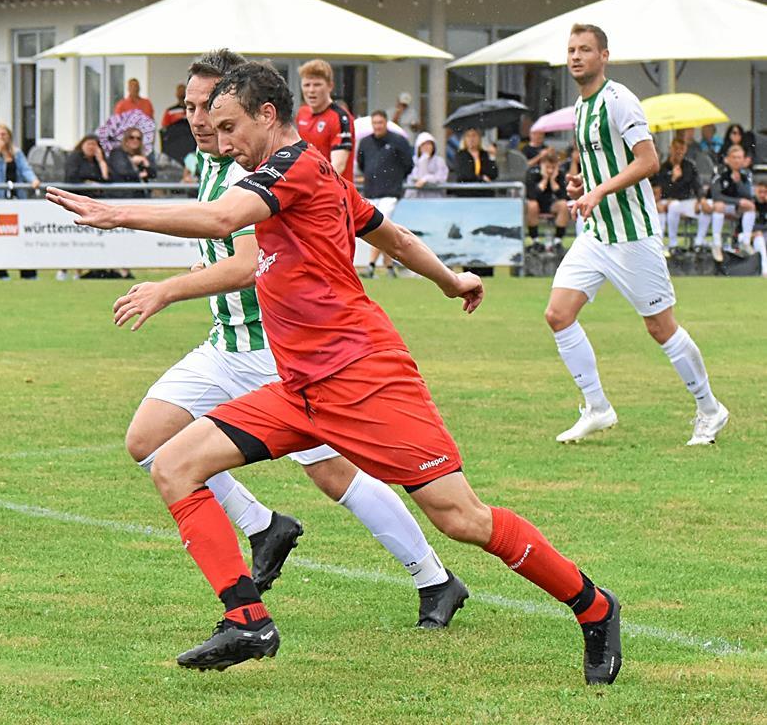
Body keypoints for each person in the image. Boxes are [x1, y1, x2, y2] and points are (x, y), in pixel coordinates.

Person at [47, 60, 622, 685]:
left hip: (365, 377)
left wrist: (119, 215)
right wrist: (451, 279)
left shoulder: (291, 168)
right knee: (173, 464)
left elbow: (221, 222)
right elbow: (392, 237)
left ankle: (593, 607)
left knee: (461, 519)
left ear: (268, 115)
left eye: (231, 126)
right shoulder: (307, 169)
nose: (225, 141)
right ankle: (248, 622)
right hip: (299, 388)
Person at [116, 48, 466, 631]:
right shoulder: (211, 161)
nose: (200, 121)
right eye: (190, 108)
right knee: (148, 440)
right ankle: (263, 527)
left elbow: (247, 262)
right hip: (224, 341)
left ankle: (433, 577)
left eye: (210, 110)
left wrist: (167, 288)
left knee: (334, 475)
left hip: (276, 350)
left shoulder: (253, 167)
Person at [549, 23, 727, 447]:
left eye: (585, 50)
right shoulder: (580, 107)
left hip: (633, 233)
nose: (576, 56)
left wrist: (598, 190)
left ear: (604, 56)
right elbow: (601, 165)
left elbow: (648, 163)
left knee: (660, 327)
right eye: (571, 49)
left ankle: (710, 409)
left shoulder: (619, 100)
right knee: (558, 314)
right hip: (597, 232)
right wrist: (581, 184)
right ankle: (597, 408)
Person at [357, 110, 413, 278]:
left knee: (379, 228)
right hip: (371, 191)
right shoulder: (365, 142)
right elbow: (362, 164)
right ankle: (389, 268)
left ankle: (371, 265)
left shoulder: (398, 141)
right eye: (375, 123)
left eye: (380, 123)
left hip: (390, 192)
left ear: (386, 123)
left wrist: (394, 178)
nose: (377, 126)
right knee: (383, 230)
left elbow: (408, 165)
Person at [0, 123, 41, 280]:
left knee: (23, 237)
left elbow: (25, 169)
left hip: (17, 200)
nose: (2, 137)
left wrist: (33, 180)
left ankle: (28, 272)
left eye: (4, 134)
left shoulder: (17, 153)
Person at [295, 59, 355, 182]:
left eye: (317, 84)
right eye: (307, 85)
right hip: (308, 189)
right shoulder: (302, 113)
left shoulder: (340, 117)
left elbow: (338, 165)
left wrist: (315, 187)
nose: (311, 90)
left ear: (330, 86)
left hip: (334, 192)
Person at [654, 137, 706, 254]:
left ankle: (699, 242)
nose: (679, 151)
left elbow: (697, 185)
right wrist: (673, 179)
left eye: (682, 149)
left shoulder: (689, 166)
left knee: (706, 206)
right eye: (676, 148)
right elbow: (663, 191)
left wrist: (701, 199)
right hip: (666, 201)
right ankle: (672, 243)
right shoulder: (663, 167)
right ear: (670, 149)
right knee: (673, 205)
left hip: (685, 201)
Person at [705, 143, 756, 258]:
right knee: (720, 205)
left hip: (735, 208)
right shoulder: (719, 171)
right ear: (727, 159)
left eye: (739, 158)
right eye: (734, 157)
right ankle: (716, 244)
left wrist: (738, 183)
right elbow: (716, 196)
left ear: (743, 159)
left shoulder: (746, 174)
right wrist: (737, 202)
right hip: (716, 206)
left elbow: (748, 196)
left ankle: (745, 242)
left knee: (750, 206)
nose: (737, 161)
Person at [524, 151, 570, 249]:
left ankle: (558, 241)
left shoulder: (560, 174)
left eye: (553, 167)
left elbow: (564, 196)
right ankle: (535, 240)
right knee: (532, 204)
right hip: (537, 205)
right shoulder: (532, 172)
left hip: (552, 205)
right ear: (541, 164)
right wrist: (544, 179)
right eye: (547, 167)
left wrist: (553, 181)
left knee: (563, 205)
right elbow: (532, 196)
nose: (550, 171)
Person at [404, 132, 448, 199]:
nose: (426, 147)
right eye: (423, 144)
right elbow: (414, 178)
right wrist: (423, 161)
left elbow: (441, 178)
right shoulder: (413, 161)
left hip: (435, 199)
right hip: (417, 199)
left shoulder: (439, 161)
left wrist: (426, 179)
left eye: (428, 144)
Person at [752, 180, 767, 277]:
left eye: (765, 192)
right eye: (760, 192)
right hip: (747, 235)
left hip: (764, 234)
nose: (762, 195)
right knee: (759, 237)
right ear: (755, 191)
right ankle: (765, 271)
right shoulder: (750, 205)